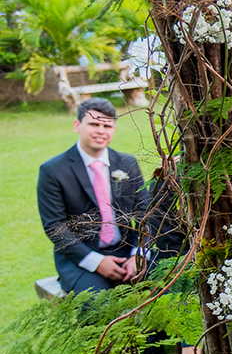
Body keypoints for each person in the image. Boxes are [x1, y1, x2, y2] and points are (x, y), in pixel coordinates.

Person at [37, 97, 150, 294]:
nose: (100, 131)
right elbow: (54, 226)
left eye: (107, 126)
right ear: (77, 125)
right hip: (80, 258)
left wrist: (138, 254)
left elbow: (145, 213)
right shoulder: (53, 170)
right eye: (94, 124)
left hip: (128, 251)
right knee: (98, 306)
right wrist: (96, 262)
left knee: (163, 295)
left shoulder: (127, 164)